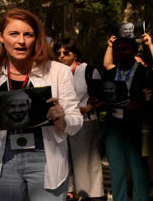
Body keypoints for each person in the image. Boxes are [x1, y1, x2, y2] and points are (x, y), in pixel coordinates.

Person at [0, 8, 83, 200]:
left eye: (28, 34)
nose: (21, 41)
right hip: (3, 156)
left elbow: (76, 121)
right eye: (14, 34)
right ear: (1, 37)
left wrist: (62, 119)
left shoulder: (58, 71)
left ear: (36, 38)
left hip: (45, 156)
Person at [101, 37, 153, 201]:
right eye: (116, 49)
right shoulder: (110, 74)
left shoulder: (147, 74)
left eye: (124, 49)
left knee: (138, 171)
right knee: (116, 172)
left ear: (134, 51)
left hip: (137, 128)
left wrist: (141, 104)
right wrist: (98, 101)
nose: (119, 53)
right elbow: (103, 96)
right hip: (113, 127)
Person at [53, 37, 104, 200]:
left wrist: (86, 108)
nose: (61, 55)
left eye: (66, 52)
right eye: (58, 52)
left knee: (86, 162)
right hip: (60, 124)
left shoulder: (88, 71)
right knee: (63, 159)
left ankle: (90, 195)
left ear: (75, 54)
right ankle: (68, 191)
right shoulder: (55, 72)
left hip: (86, 122)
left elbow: (101, 98)